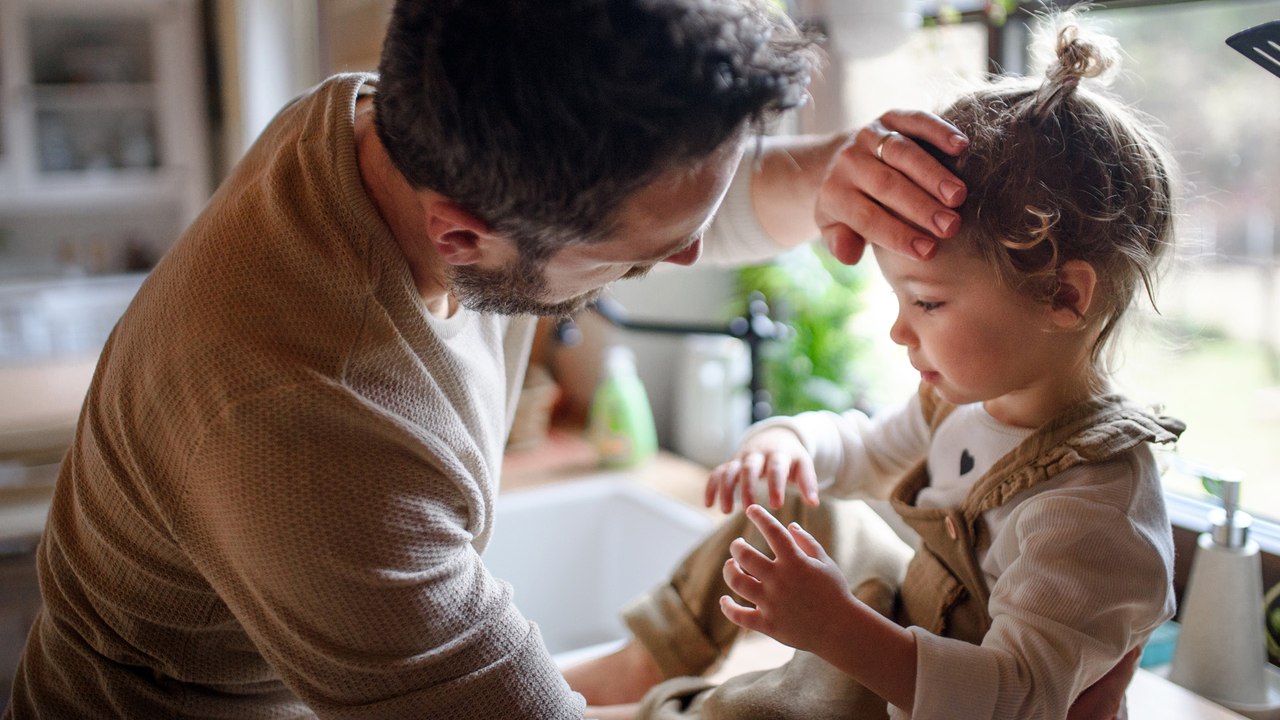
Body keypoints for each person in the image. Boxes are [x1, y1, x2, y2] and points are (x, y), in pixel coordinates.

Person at [2, 1, 979, 719]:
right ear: (463, 235)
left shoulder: (390, 124)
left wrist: (836, 173)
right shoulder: (313, 418)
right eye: (638, 257)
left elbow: (667, 202)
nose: (681, 257)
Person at [569, 15, 1182, 720]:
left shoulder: (1089, 515)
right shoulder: (970, 405)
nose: (899, 331)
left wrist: (836, 628)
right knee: (799, 499)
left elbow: (1017, 699)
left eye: (927, 303)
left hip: (931, 700)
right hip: (913, 626)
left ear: (1063, 296)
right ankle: (642, 663)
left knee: (789, 702)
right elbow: (865, 450)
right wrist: (793, 442)